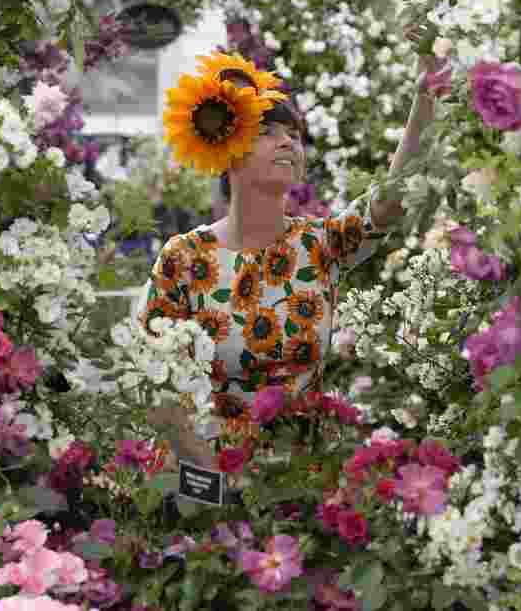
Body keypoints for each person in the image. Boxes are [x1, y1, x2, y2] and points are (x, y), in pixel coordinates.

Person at [142, 29, 441, 470]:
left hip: (300, 486)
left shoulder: (318, 245)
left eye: (294, 134)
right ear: (227, 150)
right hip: (204, 487)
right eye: (269, 132)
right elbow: (157, 389)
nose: (288, 142)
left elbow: (392, 198)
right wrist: (214, 484)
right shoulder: (183, 258)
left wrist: (425, 94)